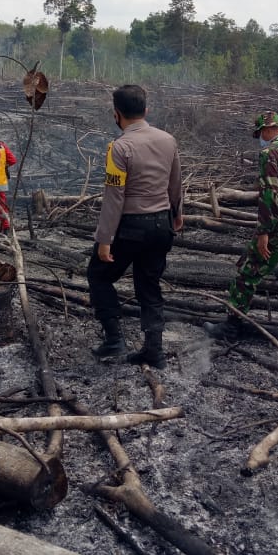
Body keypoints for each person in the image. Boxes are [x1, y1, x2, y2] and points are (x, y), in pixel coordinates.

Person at [87, 85, 183, 368]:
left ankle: (114, 340)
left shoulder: (119, 148)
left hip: (130, 227)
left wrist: (105, 239)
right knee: (149, 285)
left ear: (116, 114)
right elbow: (175, 183)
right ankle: (154, 350)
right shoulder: (168, 140)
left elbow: (114, 196)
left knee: (99, 276)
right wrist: (177, 213)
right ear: (146, 111)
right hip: (161, 225)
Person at [206, 110, 278, 339]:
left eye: (260, 133)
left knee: (248, 272)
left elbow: (268, 194)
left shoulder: (270, 153)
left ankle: (232, 324)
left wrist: (263, 232)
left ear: (268, 130)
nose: (260, 137)